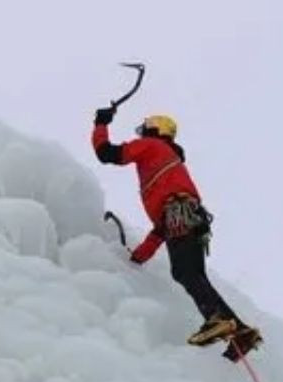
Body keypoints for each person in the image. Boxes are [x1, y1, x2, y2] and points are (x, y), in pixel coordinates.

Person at [91, 107, 261, 356]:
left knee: (184, 272)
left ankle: (216, 318)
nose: (142, 135)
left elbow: (107, 154)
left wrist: (101, 123)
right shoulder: (169, 163)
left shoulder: (151, 145)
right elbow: (161, 231)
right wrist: (138, 257)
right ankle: (240, 332)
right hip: (188, 218)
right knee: (193, 274)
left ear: (154, 130)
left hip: (179, 214)